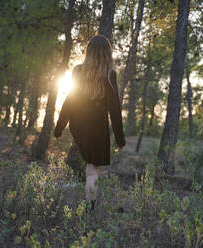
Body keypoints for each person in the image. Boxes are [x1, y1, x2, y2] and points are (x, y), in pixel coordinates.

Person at [54, 35, 126, 208]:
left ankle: (90, 202)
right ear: (107, 53)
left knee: (89, 166)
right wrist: (119, 138)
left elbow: (70, 99)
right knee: (93, 170)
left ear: (89, 52)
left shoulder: (78, 71)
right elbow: (114, 109)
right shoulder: (110, 75)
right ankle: (90, 206)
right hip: (97, 127)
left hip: (78, 124)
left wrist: (60, 127)